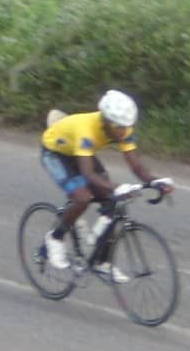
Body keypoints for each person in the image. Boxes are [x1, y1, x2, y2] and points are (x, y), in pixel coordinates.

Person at [40, 89, 174, 281]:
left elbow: (136, 166)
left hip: (78, 152)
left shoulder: (122, 129)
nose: (123, 131)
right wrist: (116, 187)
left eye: (126, 126)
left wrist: (154, 181)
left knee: (114, 203)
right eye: (118, 127)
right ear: (105, 120)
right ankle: (55, 237)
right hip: (55, 153)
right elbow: (88, 173)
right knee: (82, 197)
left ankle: (103, 262)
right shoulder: (86, 130)